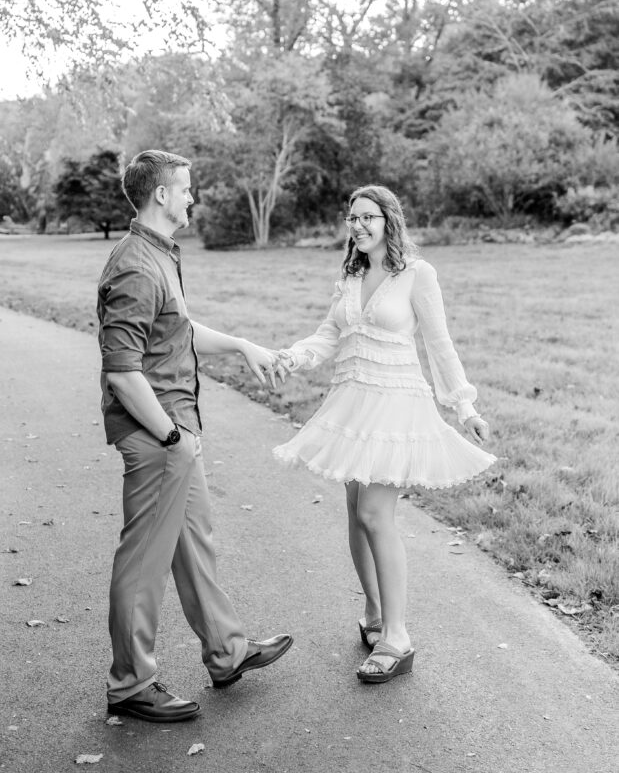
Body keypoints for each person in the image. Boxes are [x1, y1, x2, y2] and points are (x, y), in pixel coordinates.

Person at [97, 149, 292, 723]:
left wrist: (239, 345)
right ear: (161, 194)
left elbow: (176, 330)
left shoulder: (159, 255)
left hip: (175, 425)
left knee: (193, 541)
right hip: (158, 432)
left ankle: (226, 651)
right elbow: (122, 370)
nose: (192, 197)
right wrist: (170, 437)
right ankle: (132, 683)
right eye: (185, 188)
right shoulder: (135, 264)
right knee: (144, 560)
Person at [273, 185, 496, 684]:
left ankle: (398, 637)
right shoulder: (351, 273)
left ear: (389, 221)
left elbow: (440, 345)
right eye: (352, 218)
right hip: (353, 404)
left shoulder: (417, 274)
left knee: (376, 513)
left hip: (396, 407)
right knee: (356, 515)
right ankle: (373, 613)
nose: (358, 226)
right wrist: (292, 357)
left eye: (368, 217)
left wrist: (465, 407)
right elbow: (330, 335)